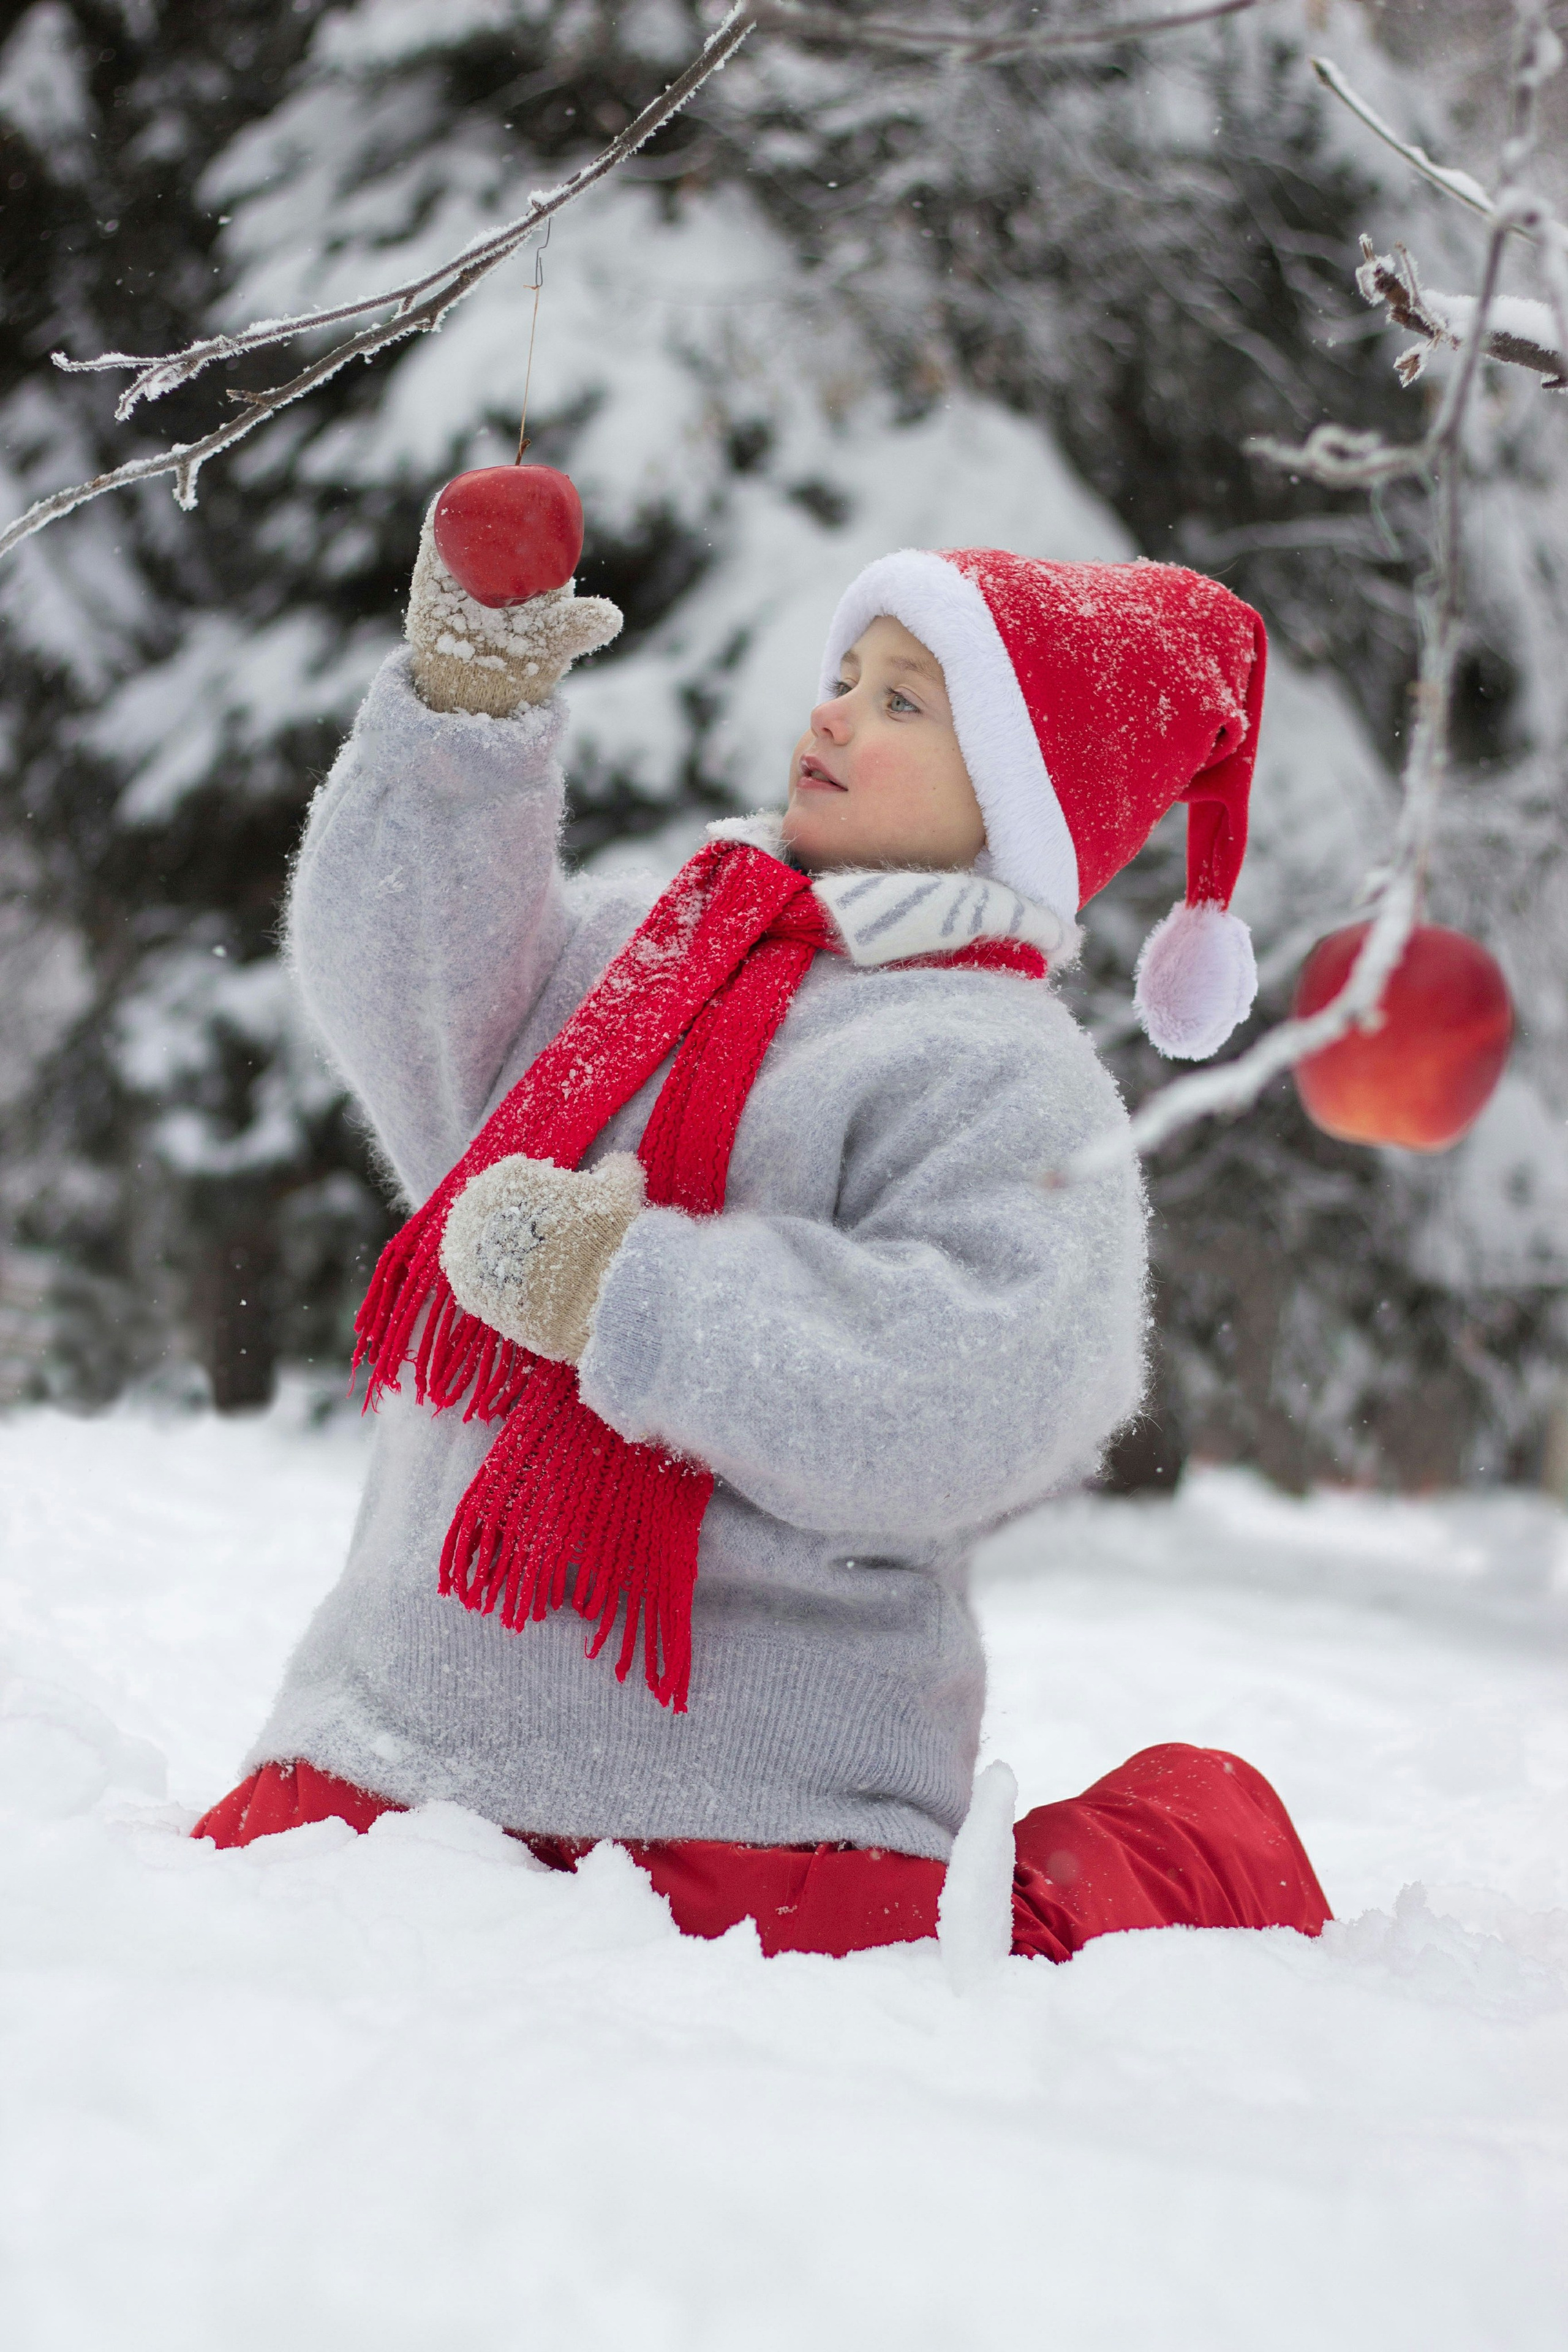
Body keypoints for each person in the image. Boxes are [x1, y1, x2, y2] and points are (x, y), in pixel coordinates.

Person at [194, 513, 1330, 1959]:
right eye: (845, 672)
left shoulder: (996, 1068)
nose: (837, 709)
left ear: (1017, 795)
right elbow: (404, 995)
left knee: (997, 1940)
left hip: (755, 1814)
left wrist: (631, 1295)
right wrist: (464, 723)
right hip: (398, 1749)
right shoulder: (638, 959)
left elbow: (984, 1384)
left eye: (904, 697)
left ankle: (1181, 1845)